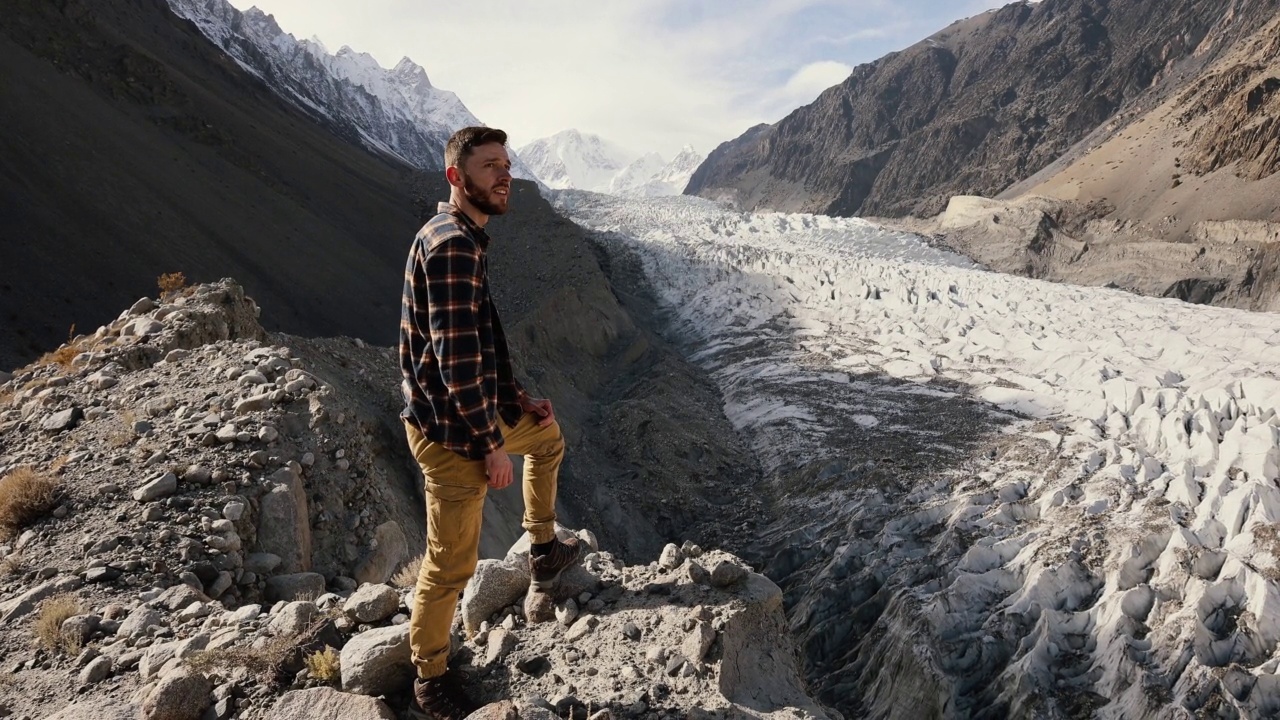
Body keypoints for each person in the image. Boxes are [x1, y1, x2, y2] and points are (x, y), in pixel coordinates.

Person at [399, 126, 582, 719]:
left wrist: (519, 400)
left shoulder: (460, 235)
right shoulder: (453, 244)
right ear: (457, 177)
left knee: (548, 439)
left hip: (471, 413)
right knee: (449, 563)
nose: (504, 176)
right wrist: (491, 445)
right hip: (451, 434)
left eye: (505, 164)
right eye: (488, 167)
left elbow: (480, 343)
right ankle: (429, 678)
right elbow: (455, 361)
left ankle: (544, 549)